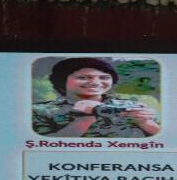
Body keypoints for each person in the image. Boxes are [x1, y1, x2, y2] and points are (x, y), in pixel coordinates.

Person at [32, 58, 160, 138]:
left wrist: (145, 123)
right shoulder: (40, 111)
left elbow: (163, 141)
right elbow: (42, 146)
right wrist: (82, 121)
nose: (95, 82)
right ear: (62, 81)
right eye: (83, 77)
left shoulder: (131, 106)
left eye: (104, 77)